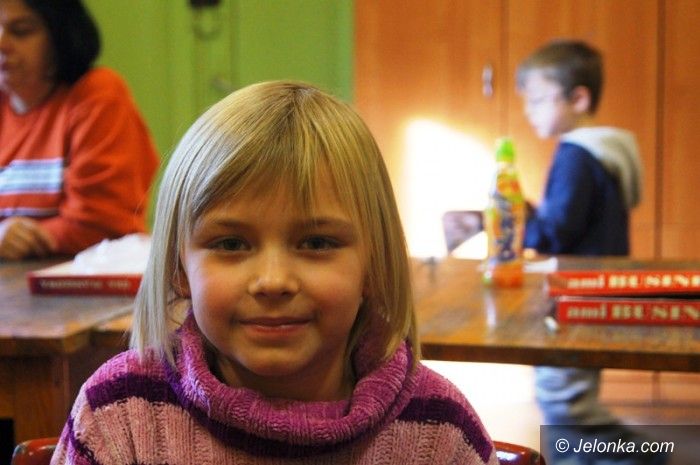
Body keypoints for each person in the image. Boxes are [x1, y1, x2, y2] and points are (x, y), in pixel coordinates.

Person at [51, 81, 499, 464]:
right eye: (231, 244)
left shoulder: (440, 430)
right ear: (178, 269)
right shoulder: (119, 412)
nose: (273, 281)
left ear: (374, 265)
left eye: (317, 243)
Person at [517, 41, 665, 465]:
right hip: (596, 287)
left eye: (538, 100)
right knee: (571, 398)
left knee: (563, 401)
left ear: (578, 98)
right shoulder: (602, 151)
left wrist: (519, 218)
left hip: (578, 294)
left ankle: (639, 456)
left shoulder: (576, 154)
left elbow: (557, 233)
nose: (529, 111)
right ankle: (640, 456)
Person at [0, 0, 159, 260]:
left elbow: (103, 224)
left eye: (21, 31)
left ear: (60, 36)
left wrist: (19, 238)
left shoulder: (97, 94)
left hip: (94, 276)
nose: (2, 43)